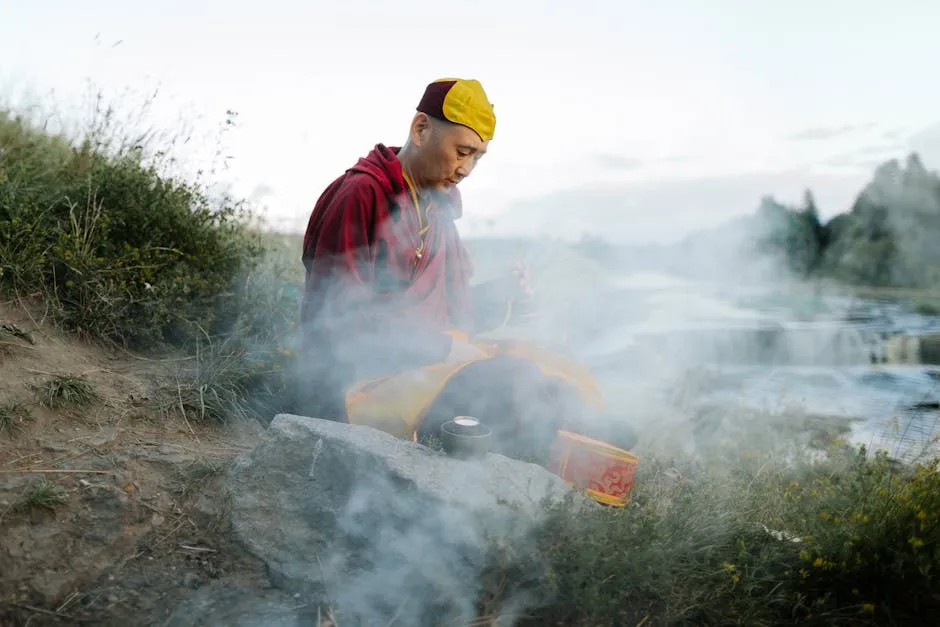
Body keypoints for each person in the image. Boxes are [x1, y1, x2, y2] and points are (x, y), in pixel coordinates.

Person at [299, 77, 632, 461]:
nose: (467, 169)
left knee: (548, 361)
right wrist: (439, 345)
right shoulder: (362, 195)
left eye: (477, 157)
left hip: (423, 363)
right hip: (361, 384)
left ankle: (585, 435)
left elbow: (446, 312)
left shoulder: (435, 208)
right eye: (462, 151)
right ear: (421, 129)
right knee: (510, 378)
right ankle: (566, 444)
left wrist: (502, 296)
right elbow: (337, 326)